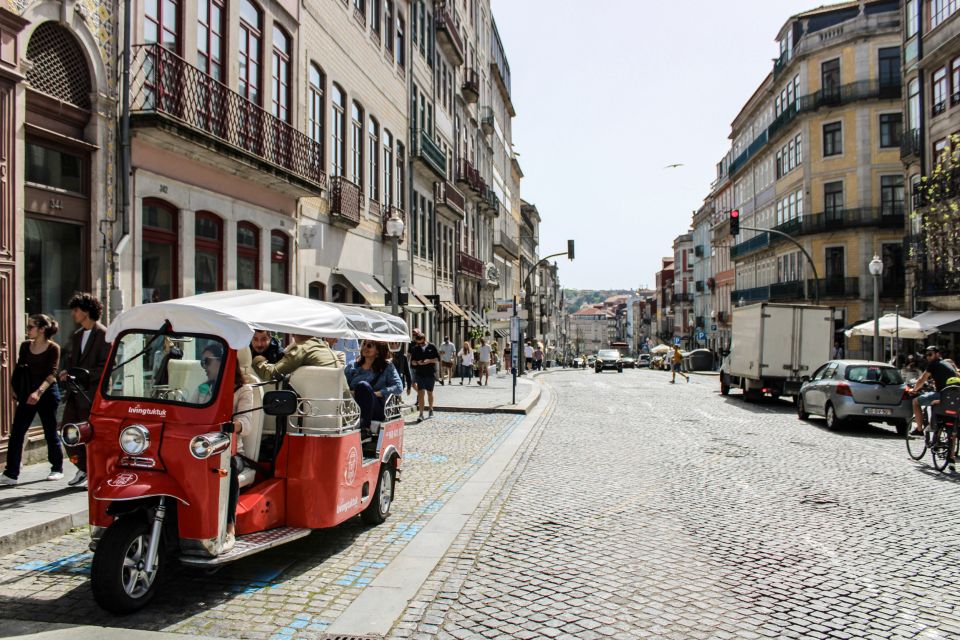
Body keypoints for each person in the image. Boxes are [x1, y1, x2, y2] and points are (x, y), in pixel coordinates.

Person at [2, 315, 63, 485]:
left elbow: (52, 374)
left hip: (47, 394)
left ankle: (57, 468)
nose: (28, 330)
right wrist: (15, 388)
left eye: (31, 327)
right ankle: (11, 473)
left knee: (50, 431)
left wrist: (38, 392)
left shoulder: (53, 348)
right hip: (27, 395)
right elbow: (20, 367)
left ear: (42, 329)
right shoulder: (25, 346)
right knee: (17, 432)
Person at [59, 293, 111, 489]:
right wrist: (67, 372)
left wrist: (82, 375)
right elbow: (73, 362)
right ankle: (83, 466)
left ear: (87, 311)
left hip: (92, 394)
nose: (73, 314)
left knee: (92, 433)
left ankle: (94, 470)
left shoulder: (103, 334)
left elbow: (105, 367)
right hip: (75, 393)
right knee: (67, 429)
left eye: (76, 310)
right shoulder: (77, 335)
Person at [224, 365, 254, 553]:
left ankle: (229, 526)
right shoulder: (205, 387)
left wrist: (231, 426)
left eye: (208, 362)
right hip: (204, 448)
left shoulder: (244, 390)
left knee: (228, 467)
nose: (205, 367)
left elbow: (247, 424)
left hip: (234, 452)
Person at [345, 341, 403, 431]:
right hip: (353, 407)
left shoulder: (387, 367)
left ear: (378, 351)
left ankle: (365, 428)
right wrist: (353, 393)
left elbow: (398, 387)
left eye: (369, 346)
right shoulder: (352, 366)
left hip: (376, 408)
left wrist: (374, 394)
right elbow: (343, 385)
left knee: (363, 385)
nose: (365, 348)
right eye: (363, 344)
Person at [910, 346, 959, 449]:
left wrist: (914, 390)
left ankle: (919, 430)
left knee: (915, 402)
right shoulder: (947, 363)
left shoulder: (933, 364)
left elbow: (921, 380)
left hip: (942, 394)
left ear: (937, 354)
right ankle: (936, 436)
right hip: (954, 396)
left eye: (930, 354)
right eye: (926, 355)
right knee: (936, 406)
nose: (928, 357)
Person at [253, 334, 343, 380]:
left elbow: (270, 374)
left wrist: (256, 359)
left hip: (320, 408)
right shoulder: (321, 345)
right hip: (345, 407)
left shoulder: (302, 348)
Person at [409, 329, 439, 422]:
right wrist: (416, 362)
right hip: (420, 373)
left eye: (421, 343)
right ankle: (421, 414)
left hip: (430, 373)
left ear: (424, 340)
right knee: (421, 393)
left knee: (430, 392)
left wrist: (429, 361)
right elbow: (412, 363)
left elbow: (438, 359)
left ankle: (430, 409)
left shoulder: (432, 346)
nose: (419, 345)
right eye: (418, 343)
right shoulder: (415, 348)